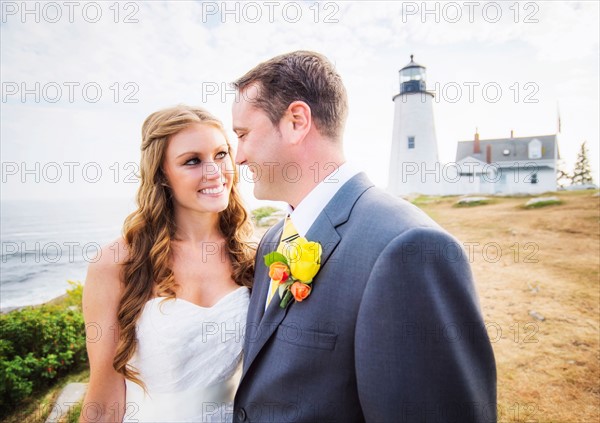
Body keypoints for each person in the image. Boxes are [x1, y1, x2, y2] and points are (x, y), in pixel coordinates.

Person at [231, 51, 497, 422]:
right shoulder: (273, 242)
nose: (238, 157)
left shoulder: (409, 249)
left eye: (243, 135)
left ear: (296, 121)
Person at [80, 106, 254, 422]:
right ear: (161, 175)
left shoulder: (250, 257)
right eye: (192, 161)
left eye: (221, 154)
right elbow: (104, 402)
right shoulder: (117, 263)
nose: (214, 171)